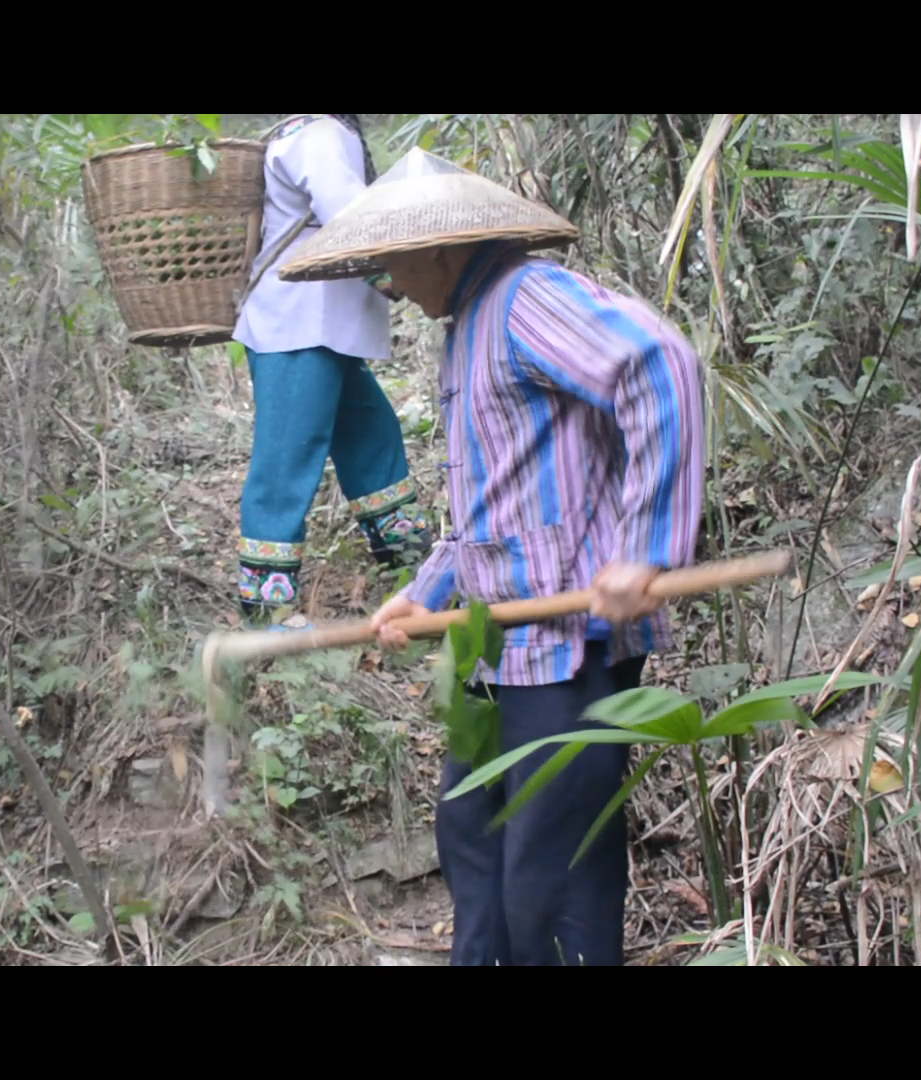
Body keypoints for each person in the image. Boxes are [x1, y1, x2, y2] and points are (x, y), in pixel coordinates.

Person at [278, 148, 707, 966]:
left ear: (441, 246)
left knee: (550, 876)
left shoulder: (525, 300)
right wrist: (425, 594)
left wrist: (645, 552)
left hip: (566, 652)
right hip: (497, 649)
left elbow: (660, 366)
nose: (391, 286)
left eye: (395, 263)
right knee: (471, 835)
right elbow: (490, 509)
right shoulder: (466, 333)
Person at [229, 114, 433, 627]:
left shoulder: (302, 132)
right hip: (300, 325)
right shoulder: (318, 134)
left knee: (373, 438)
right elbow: (347, 214)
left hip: (320, 327)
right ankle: (266, 608)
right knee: (286, 460)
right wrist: (396, 273)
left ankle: (411, 566)